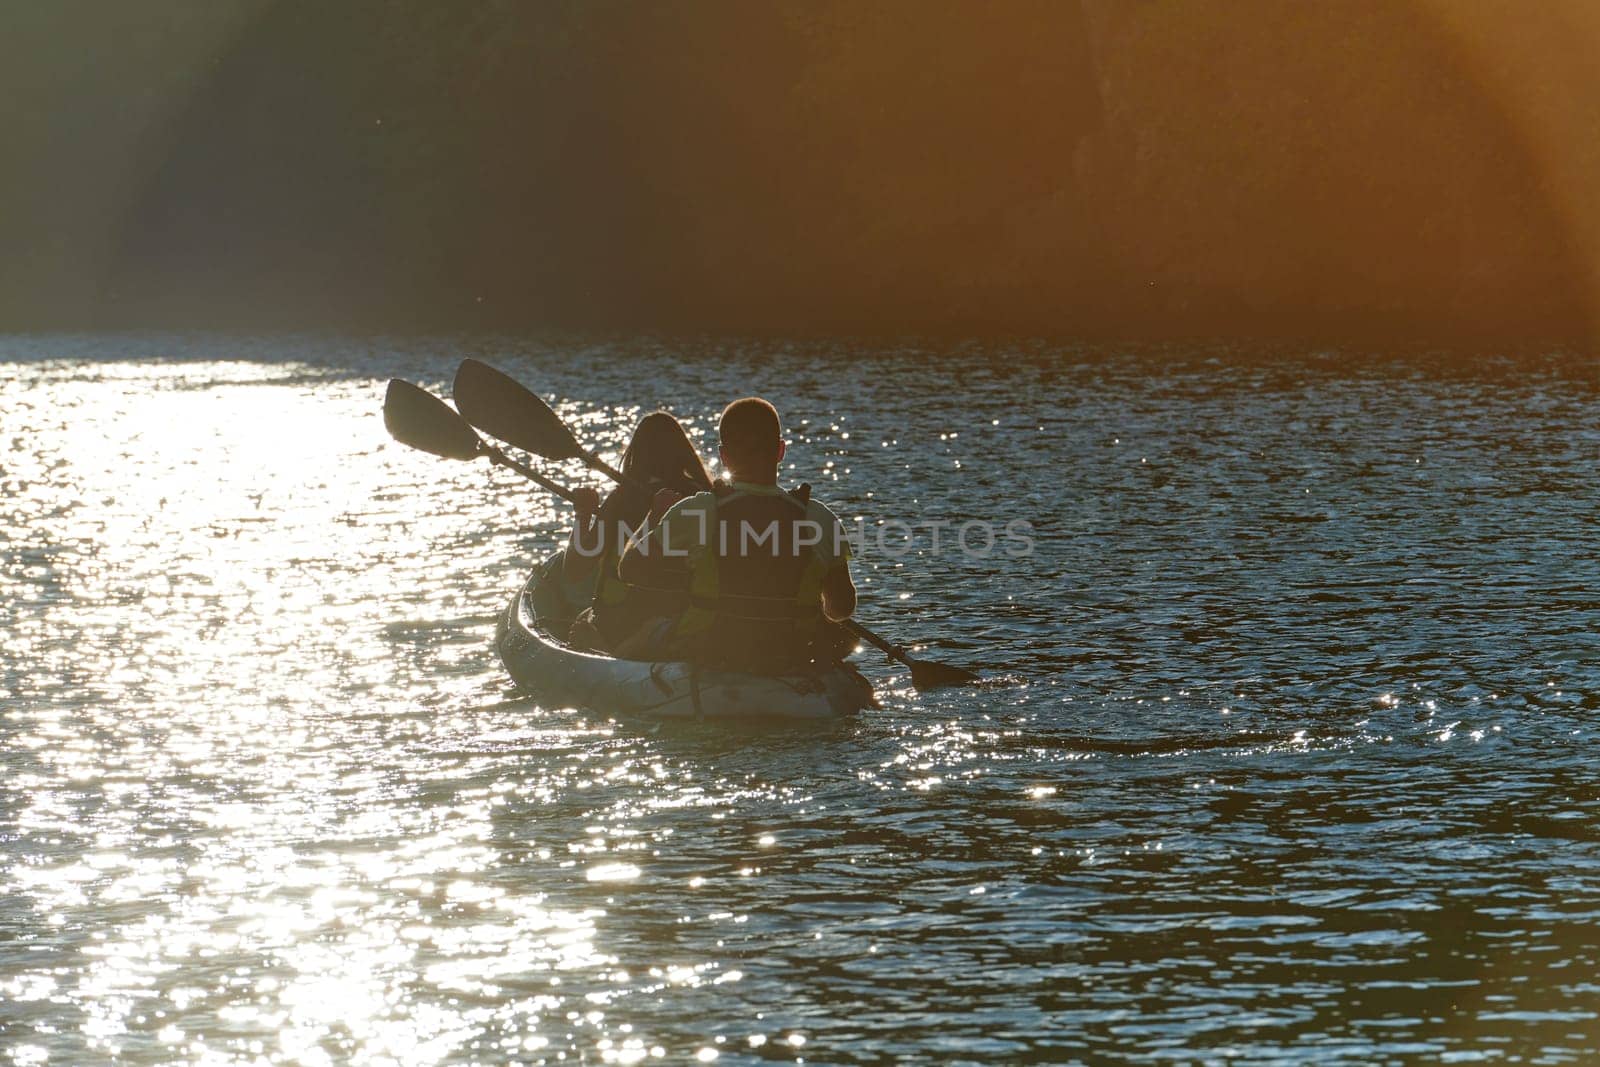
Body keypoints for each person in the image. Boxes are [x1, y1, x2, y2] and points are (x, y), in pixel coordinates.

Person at [617, 397, 857, 674]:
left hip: (710, 650)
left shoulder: (697, 510)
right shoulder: (821, 518)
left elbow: (630, 569)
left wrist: (654, 517)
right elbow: (842, 608)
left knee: (636, 640)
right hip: (794, 653)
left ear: (724, 456)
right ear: (780, 451)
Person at [563, 412, 713, 651]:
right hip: (684, 620)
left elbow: (575, 570)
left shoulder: (622, 499)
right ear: (682, 454)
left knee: (581, 623)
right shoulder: (702, 497)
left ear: (638, 454)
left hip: (623, 621)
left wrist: (583, 513)